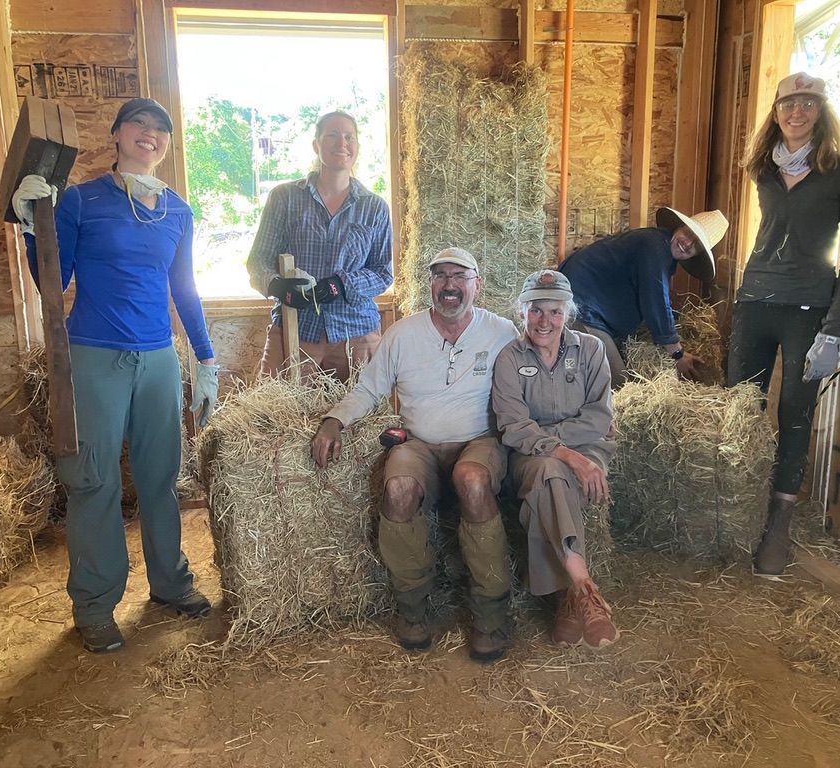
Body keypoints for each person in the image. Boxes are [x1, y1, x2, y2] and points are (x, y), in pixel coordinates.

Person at [11, 97, 219, 653]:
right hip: (95, 355)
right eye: (140, 125)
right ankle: (96, 605)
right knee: (94, 480)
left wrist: (205, 358)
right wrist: (35, 230)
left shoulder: (176, 210)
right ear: (118, 134)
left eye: (161, 130)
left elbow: (184, 289)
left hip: (156, 359)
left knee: (160, 479)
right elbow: (53, 283)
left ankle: (171, 584)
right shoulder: (80, 200)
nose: (150, 135)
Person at [310, 247, 518, 663]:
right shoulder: (403, 334)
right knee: (399, 487)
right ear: (430, 285)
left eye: (459, 276)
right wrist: (334, 421)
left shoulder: (502, 332)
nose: (449, 284)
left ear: (477, 284)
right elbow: (369, 388)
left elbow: (529, 383)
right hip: (419, 442)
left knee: (473, 482)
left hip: (479, 440)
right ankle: (413, 609)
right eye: (440, 276)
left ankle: (490, 615)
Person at [728, 72, 840, 576]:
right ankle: (737, 510)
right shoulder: (763, 168)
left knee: (794, 412)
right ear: (776, 111)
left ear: (821, 111)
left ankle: (778, 526)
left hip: (809, 308)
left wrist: (834, 327)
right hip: (756, 301)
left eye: (808, 103)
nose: (797, 111)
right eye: (789, 102)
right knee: (741, 407)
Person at [491, 270, 618, 649]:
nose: (544, 321)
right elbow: (513, 428)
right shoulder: (509, 359)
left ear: (568, 313)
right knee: (551, 470)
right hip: (530, 456)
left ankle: (569, 598)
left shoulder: (591, 350)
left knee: (554, 475)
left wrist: (558, 443)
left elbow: (600, 417)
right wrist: (563, 453)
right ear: (522, 312)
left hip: (588, 449)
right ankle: (582, 584)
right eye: (535, 311)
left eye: (555, 312)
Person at [247, 110, 393, 382]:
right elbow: (258, 262)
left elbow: (383, 273)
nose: (342, 143)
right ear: (316, 145)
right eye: (332, 136)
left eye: (350, 137)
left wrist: (341, 284)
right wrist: (278, 286)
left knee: (361, 419)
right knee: (280, 419)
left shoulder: (374, 208)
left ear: (357, 146)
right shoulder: (285, 198)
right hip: (295, 331)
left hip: (356, 334)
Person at [558, 207, 729, 388]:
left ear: (696, 254)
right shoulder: (654, 247)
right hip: (579, 309)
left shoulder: (659, 247)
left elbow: (655, 295)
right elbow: (655, 300)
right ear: (679, 227)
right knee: (621, 387)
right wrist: (677, 354)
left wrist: (677, 321)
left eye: (696, 245)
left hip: (586, 307)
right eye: (688, 233)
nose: (687, 243)